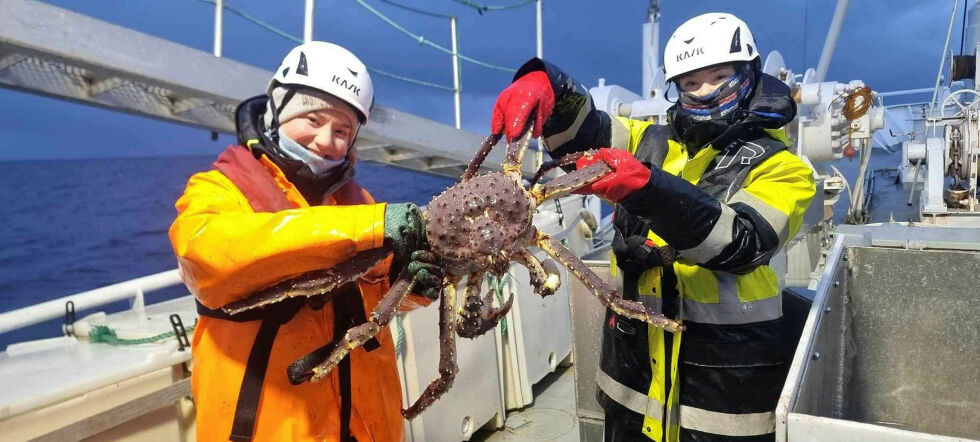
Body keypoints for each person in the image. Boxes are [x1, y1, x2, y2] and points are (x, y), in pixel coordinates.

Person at [490, 13, 816, 442]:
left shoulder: (784, 168)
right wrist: (549, 85)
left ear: (749, 74)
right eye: (690, 83)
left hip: (722, 394)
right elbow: (587, 131)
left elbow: (742, 241)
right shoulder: (648, 139)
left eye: (719, 76)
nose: (704, 91)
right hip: (631, 378)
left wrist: (647, 188)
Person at [169, 41, 441, 442]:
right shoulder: (218, 191)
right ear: (278, 108)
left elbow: (373, 290)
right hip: (268, 423)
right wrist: (363, 226)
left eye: (342, 130)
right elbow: (205, 258)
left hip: (364, 422)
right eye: (312, 120)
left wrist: (410, 284)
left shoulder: (358, 202)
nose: (326, 140)